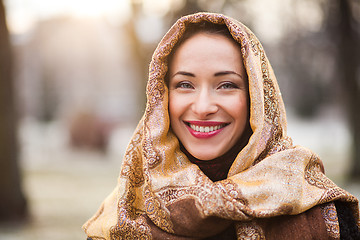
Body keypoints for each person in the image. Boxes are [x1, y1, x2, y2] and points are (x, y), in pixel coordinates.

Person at [83, 12, 360, 239]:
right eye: (185, 85)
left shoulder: (316, 205)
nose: (203, 107)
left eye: (227, 85)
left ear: (256, 98)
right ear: (162, 96)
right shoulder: (126, 210)